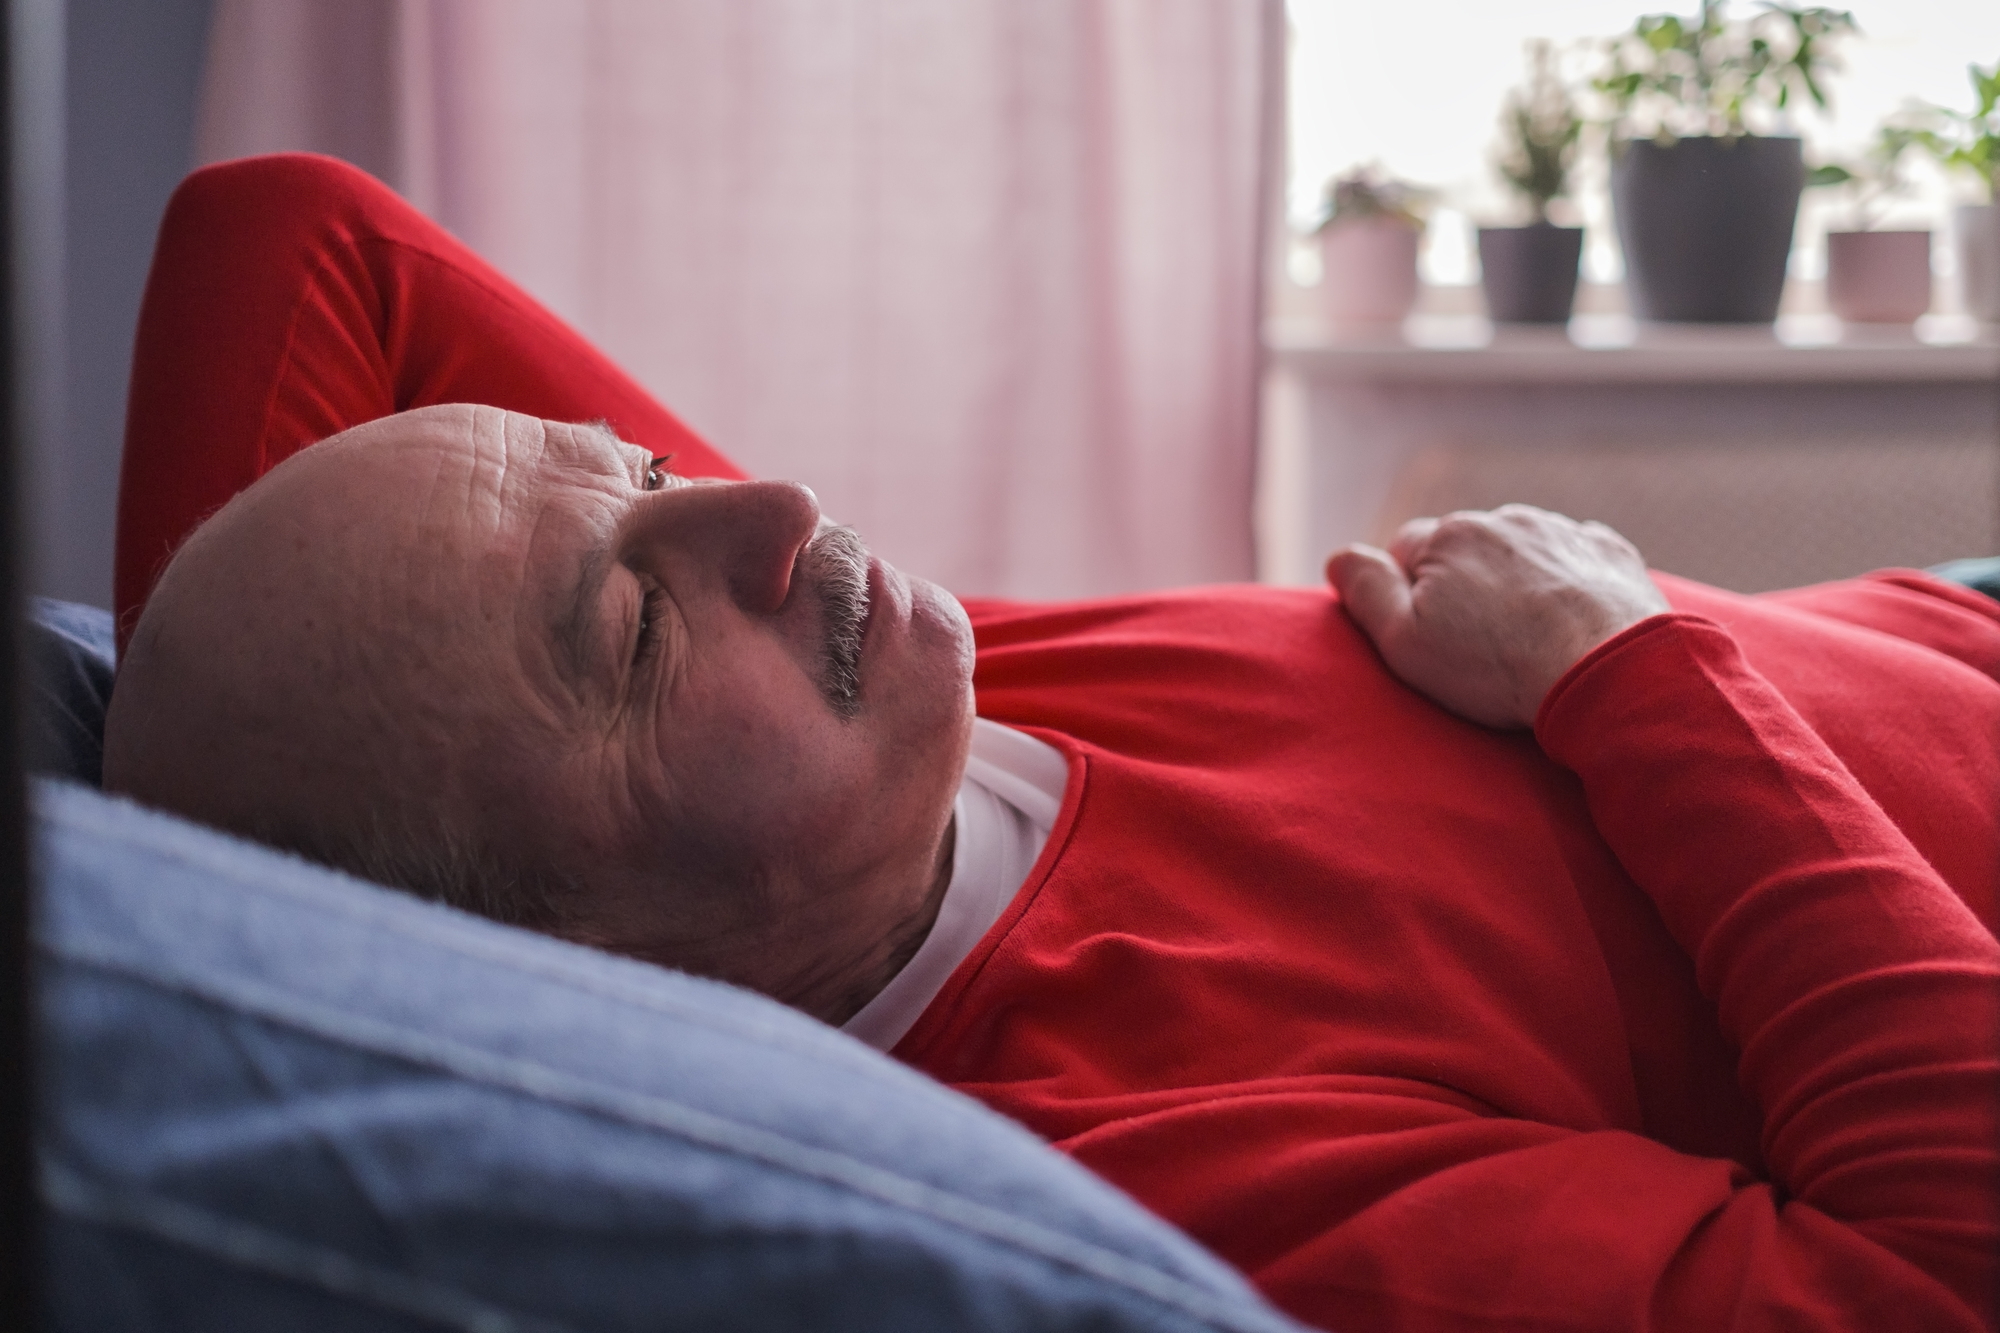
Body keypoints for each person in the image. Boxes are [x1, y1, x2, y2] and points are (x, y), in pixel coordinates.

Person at [103, 154, 1999, 1333]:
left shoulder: (904, 697)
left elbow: (293, 235)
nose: (768, 504)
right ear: (564, 977)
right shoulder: (1173, 1170)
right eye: (632, 625)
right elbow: (1945, 1279)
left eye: (655, 478)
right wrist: (1624, 660)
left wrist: (209, 812)